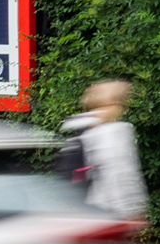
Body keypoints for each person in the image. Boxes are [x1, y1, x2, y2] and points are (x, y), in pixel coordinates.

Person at [61, 79, 148, 220]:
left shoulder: (78, 128)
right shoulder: (113, 132)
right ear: (114, 104)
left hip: (86, 207)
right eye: (121, 103)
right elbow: (118, 175)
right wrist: (131, 210)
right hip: (110, 210)